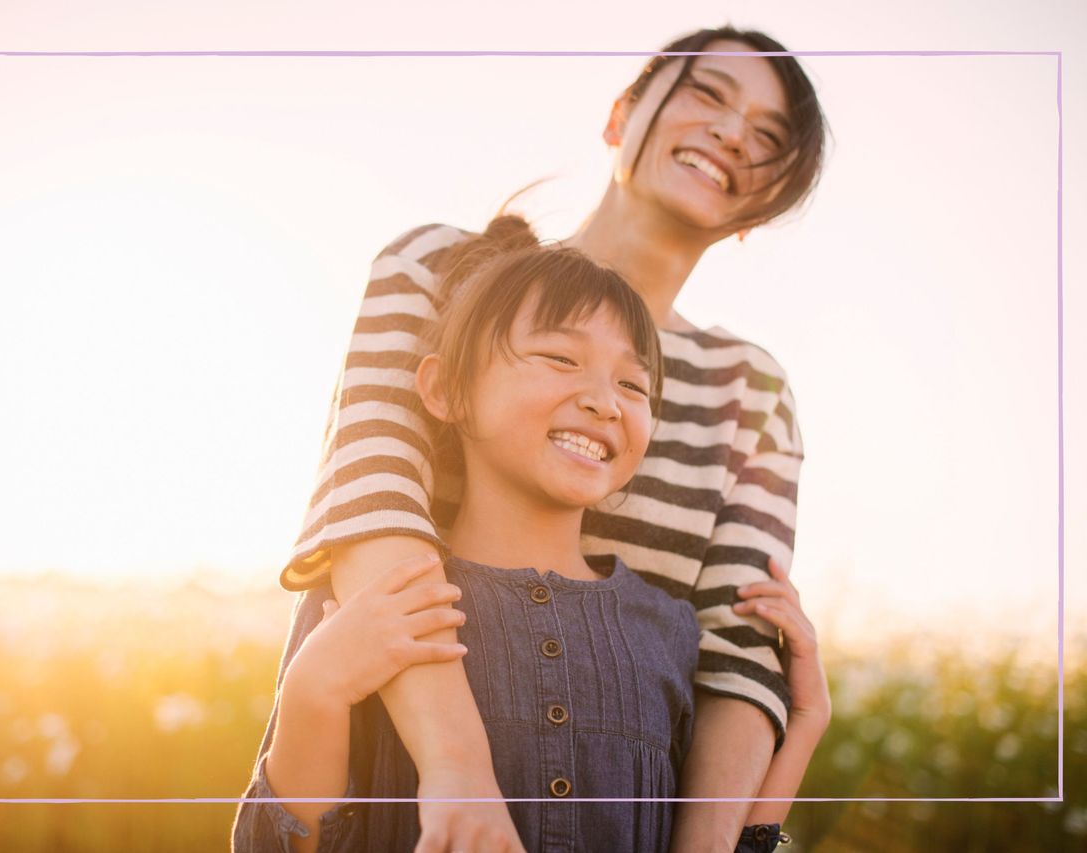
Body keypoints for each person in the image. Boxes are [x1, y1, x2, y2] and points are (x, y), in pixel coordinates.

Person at [279, 26, 828, 852]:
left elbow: (737, 651)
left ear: (765, 201)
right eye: (709, 95)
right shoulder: (437, 268)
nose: (731, 133)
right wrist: (456, 766)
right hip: (397, 789)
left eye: (767, 139)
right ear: (622, 115)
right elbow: (371, 500)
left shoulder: (752, 388)